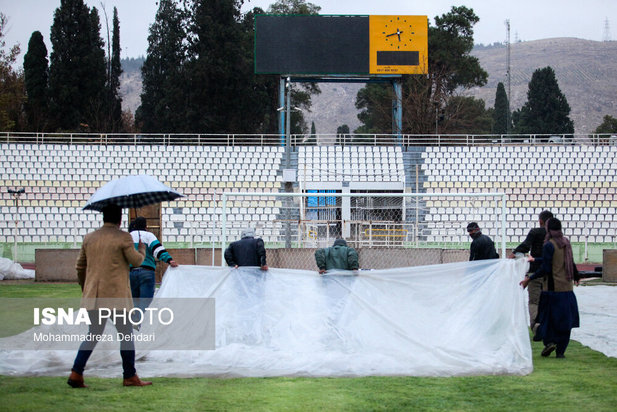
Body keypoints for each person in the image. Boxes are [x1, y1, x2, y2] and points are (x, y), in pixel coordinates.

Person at [68, 204, 152, 388]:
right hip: (116, 298)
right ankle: (129, 376)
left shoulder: (89, 238)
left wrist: (86, 288)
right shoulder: (123, 237)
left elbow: (80, 267)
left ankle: (76, 372)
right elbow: (136, 261)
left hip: (94, 297)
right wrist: (142, 249)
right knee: (126, 335)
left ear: (103, 216)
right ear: (120, 218)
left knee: (93, 334)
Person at [520, 218, 580, 359]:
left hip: (552, 291)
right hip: (567, 289)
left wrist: (530, 278)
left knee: (547, 319)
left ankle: (550, 342)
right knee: (565, 322)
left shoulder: (549, 245)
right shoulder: (566, 242)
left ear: (548, 230)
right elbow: (569, 261)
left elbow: (547, 267)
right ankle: (561, 352)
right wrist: (576, 276)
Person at [509, 210, 554, 333]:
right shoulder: (556, 235)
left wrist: (512, 255)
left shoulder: (535, 232)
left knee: (534, 301)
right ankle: (549, 324)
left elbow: (525, 246)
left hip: (535, 271)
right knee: (549, 300)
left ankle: (536, 325)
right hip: (552, 273)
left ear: (540, 221)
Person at [128, 217, 178, 320]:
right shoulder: (149, 236)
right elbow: (158, 250)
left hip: (131, 272)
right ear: (146, 226)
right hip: (147, 272)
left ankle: (135, 321)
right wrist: (169, 260)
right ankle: (142, 323)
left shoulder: (128, 237)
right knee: (146, 301)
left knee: (133, 301)